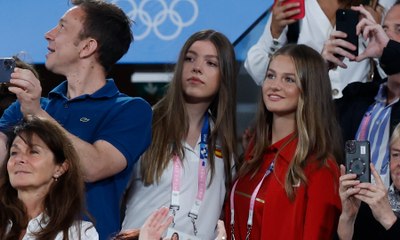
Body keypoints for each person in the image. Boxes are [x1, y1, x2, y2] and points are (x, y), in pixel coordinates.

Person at [0, 1, 152, 239]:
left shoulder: (131, 110)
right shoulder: (31, 105)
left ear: (87, 47)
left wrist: (35, 113)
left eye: (61, 27)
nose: (48, 35)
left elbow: (94, 166)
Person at [121, 30, 237, 240]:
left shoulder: (225, 141)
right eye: (189, 58)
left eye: (211, 63)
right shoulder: (145, 123)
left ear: (225, 76)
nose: (197, 68)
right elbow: (110, 197)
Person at [225, 44, 342, 239]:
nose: (275, 85)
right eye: (271, 76)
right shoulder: (254, 150)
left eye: (289, 79)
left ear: (309, 90)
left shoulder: (320, 167)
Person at [333, 0, 400, 187]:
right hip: (350, 212)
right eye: (384, 28)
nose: (385, 35)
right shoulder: (357, 98)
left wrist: (389, 49)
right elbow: (306, 124)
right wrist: (320, 68)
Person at [244, 0, 395, 99]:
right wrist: (275, 33)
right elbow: (258, 73)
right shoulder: (294, 5)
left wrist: (379, 45)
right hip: (306, 124)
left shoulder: (378, 6)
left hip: (359, 123)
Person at [0, 115, 98, 239]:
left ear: (60, 168)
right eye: (14, 153)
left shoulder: (78, 234)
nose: (19, 159)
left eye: (33, 152)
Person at [338, 113, 400, 240]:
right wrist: (348, 218)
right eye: (396, 154)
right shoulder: (372, 207)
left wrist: (389, 219)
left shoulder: (383, 212)